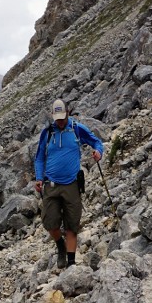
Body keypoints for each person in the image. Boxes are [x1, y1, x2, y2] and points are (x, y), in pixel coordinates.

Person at [34, 99, 103, 268]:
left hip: (72, 183)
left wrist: (98, 152)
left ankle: (71, 264)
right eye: (57, 118)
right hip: (51, 184)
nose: (60, 121)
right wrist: (38, 177)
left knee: (72, 224)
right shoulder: (48, 132)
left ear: (68, 113)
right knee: (50, 222)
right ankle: (60, 246)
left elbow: (96, 142)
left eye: (62, 117)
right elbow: (39, 157)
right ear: (53, 115)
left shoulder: (77, 129)